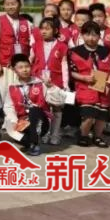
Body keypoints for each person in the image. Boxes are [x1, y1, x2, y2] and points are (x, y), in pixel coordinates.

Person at [68, 22, 110, 148]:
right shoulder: (75, 52)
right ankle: (84, 135)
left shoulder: (107, 51)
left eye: (94, 35)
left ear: (99, 36)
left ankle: (98, 137)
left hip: (104, 88)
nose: (91, 38)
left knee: (102, 116)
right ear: (82, 35)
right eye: (87, 35)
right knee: (89, 115)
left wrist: (109, 82)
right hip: (85, 88)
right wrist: (83, 77)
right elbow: (71, 72)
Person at [2, 53, 50, 156]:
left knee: (34, 109)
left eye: (27, 66)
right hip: (23, 122)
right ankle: (31, 142)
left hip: (41, 121)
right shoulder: (12, 87)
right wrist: (14, 121)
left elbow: (57, 101)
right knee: (11, 127)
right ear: (14, 70)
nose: (24, 70)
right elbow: (9, 107)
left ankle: (34, 143)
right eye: (20, 67)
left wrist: (51, 87)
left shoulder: (40, 83)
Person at [32, 18, 69, 146]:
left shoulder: (62, 46)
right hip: (39, 81)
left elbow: (64, 66)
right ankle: (45, 134)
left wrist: (65, 84)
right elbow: (30, 61)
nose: (43, 31)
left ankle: (55, 135)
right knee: (43, 108)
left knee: (57, 108)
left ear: (56, 30)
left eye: (47, 29)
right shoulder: (36, 45)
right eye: (42, 28)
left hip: (56, 82)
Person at [0, 0, 31, 85]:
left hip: (22, 66)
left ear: (20, 4)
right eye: (7, 4)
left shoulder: (27, 23)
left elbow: (32, 45)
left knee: (21, 91)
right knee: (5, 91)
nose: (10, 7)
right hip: (5, 66)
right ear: (3, 6)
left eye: (13, 4)